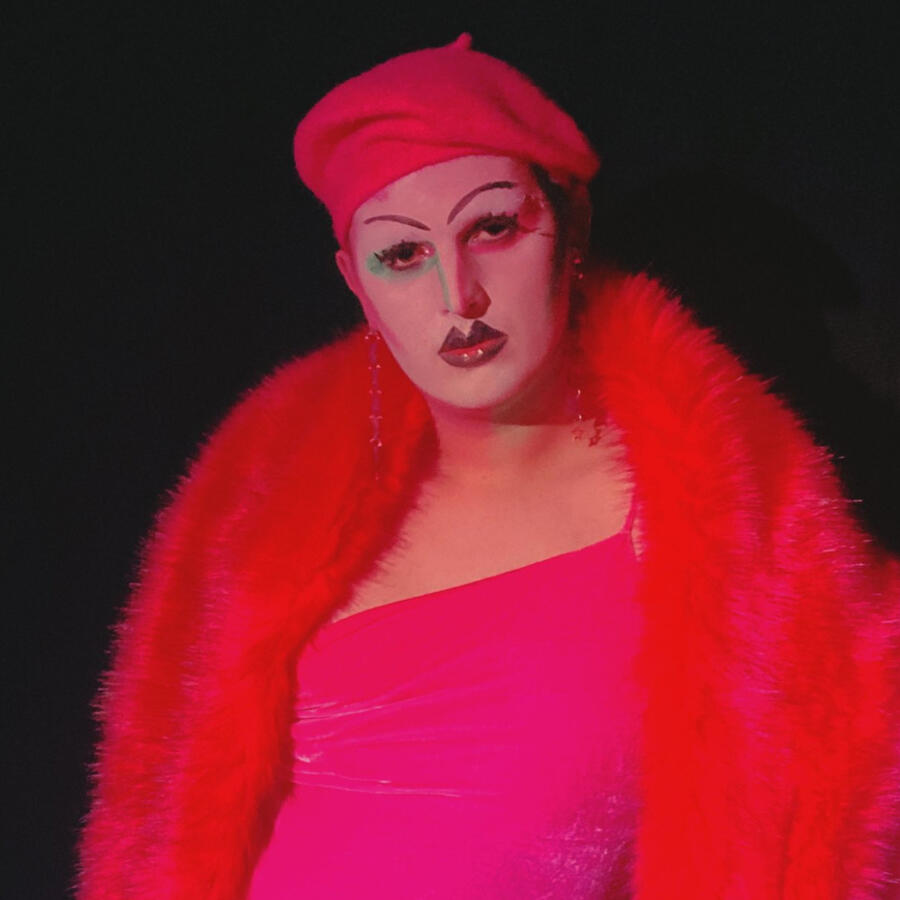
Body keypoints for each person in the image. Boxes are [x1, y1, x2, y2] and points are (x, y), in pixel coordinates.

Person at [76, 35, 900, 899]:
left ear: (571, 226)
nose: (455, 294)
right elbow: (163, 818)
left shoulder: (723, 523)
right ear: (355, 282)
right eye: (402, 254)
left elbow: (840, 745)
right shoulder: (259, 505)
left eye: (493, 228)